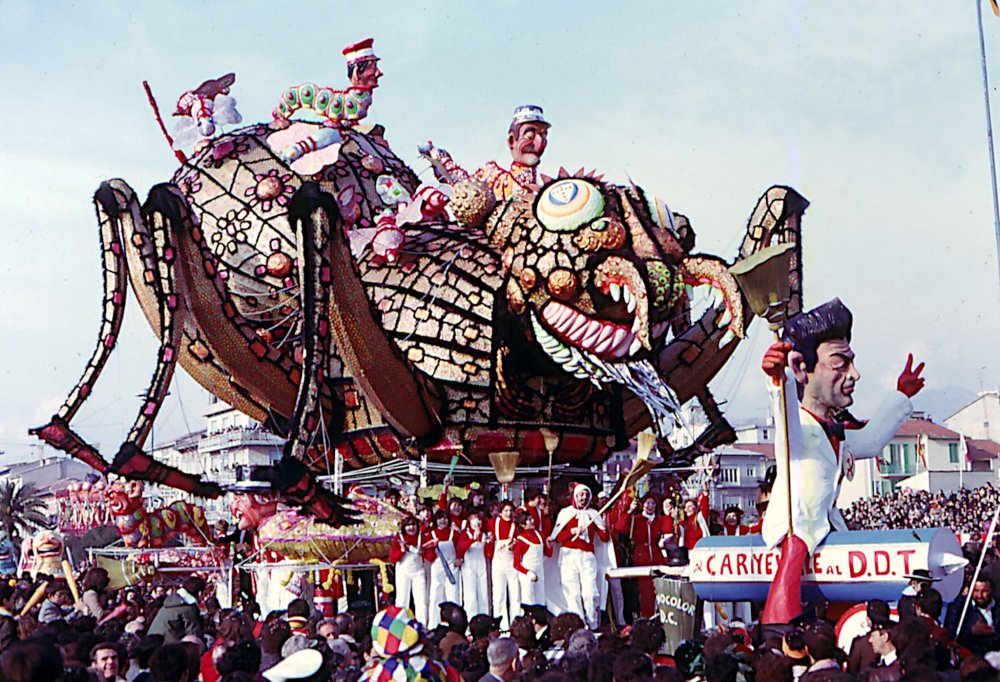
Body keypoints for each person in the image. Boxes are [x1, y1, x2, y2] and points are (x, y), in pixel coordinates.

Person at [759, 298, 925, 624]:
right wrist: (778, 382)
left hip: (830, 535)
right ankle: (776, 628)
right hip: (795, 538)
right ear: (799, 367)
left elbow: (873, 440)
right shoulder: (798, 431)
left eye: (852, 363)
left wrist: (900, 396)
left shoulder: (836, 433)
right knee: (786, 603)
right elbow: (784, 415)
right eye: (840, 363)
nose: (855, 374)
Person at [423, 105, 551, 202]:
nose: (539, 142)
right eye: (529, 135)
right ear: (512, 140)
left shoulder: (544, 196)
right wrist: (442, 160)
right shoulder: (493, 177)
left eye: (543, 135)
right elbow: (466, 187)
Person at [552, 483, 609, 630]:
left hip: (587, 557)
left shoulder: (593, 514)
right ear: (575, 497)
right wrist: (571, 531)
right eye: (580, 495)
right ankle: (578, 625)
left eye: (586, 495)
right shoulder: (565, 513)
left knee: (590, 593)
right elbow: (557, 537)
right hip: (568, 557)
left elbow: (604, 538)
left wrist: (602, 524)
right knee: (573, 593)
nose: (583, 498)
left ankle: (593, 623)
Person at [614, 494, 665, 618]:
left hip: (656, 555)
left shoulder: (659, 520)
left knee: (660, 588)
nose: (650, 506)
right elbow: (620, 527)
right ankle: (647, 617)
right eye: (647, 503)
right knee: (645, 590)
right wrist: (630, 510)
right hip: (641, 556)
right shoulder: (636, 519)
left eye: (653, 503)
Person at [427, 510, 471, 628]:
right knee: (436, 594)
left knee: (453, 595)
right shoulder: (431, 534)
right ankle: (434, 624)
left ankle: (456, 625)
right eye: (440, 518)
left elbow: (460, 547)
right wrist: (431, 547)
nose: (443, 521)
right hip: (437, 566)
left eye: (445, 518)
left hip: (452, 567)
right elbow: (428, 556)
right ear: (436, 520)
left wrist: (460, 558)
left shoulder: (454, 534)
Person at [387, 516, 434, 627]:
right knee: (402, 600)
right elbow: (392, 558)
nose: (411, 528)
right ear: (404, 527)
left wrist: (426, 550)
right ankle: (400, 626)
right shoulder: (399, 538)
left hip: (418, 572)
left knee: (421, 601)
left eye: (413, 525)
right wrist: (402, 550)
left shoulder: (421, 537)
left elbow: (430, 557)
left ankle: (422, 626)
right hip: (403, 572)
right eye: (408, 525)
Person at [487, 501, 521, 630]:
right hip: (498, 562)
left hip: (512, 562)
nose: (509, 513)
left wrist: (514, 545)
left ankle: (516, 623)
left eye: (511, 510)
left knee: (515, 592)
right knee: (499, 593)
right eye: (506, 510)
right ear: (500, 512)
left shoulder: (516, 526)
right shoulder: (492, 523)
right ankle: (501, 624)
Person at [945, 577, 1000, 656]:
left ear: (992, 591)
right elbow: (950, 634)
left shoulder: (997, 608)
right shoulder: (960, 608)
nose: (979, 595)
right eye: (976, 591)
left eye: (985, 591)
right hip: (970, 656)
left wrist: (994, 631)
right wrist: (972, 631)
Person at [512, 510, 552, 608]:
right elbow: (516, 564)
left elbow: (548, 554)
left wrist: (549, 545)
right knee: (528, 600)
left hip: (540, 571)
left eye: (532, 518)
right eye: (529, 520)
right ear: (522, 524)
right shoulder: (520, 540)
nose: (533, 521)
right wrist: (528, 573)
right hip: (527, 573)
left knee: (540, 600)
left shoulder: (540, 535)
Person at [461, 512, 490, 618]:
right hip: (469, 566)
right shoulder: (466, 534)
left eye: (479, 520)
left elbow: (488, 553)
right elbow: (461, 548)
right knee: (470, 595)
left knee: (483, 593)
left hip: (481, 565)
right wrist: (472, 539)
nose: (477, 522)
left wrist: (489, 543)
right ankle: (470, 619)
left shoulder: (484, 535)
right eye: (474, 519)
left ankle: (484, 618)